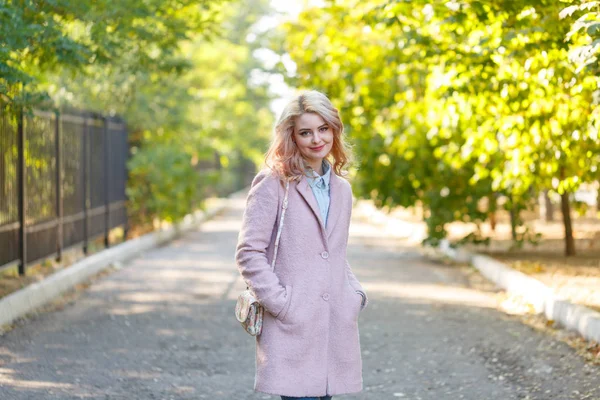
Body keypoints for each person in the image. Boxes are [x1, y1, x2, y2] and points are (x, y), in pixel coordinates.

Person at [235, 90, 368, 400]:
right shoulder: (273, 183)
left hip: (334, 323)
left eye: (323, 129)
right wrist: (282, 304)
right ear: (292, 136)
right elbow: (249, 253)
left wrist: (354, 295)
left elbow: (334, 253)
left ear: (334, 130)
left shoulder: (342, 189)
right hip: (292, 325)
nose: (316, 139)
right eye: (305, 132)